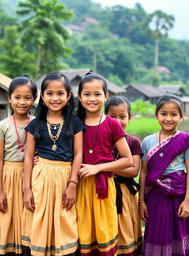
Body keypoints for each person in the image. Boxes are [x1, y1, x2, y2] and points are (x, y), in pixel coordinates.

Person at [21, 71, 84, 256]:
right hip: (41, 177)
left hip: (66, 177)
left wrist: (73, 183)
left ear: (69, 96)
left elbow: (78, 154)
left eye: (60, 93)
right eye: (49, 93)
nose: (55, 98)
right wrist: (26, 189)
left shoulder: (74, 122)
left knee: (65, 218)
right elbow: (28, 156)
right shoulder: (35, 124)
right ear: (42, 96)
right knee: (40, 217)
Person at [76, 72, 133, 256]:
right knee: (82, 234)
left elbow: (127, 159)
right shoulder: (74, 123)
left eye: (97, 94)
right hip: (78, 187)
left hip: (104, 189)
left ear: (106, 96)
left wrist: (98, 167)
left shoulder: (112, 124)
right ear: (79, 96)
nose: (92, 99)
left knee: (104, 232)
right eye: (87, 94)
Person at [0, 75, 37, 256]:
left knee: (29, 215)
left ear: (34, 99)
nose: (22, 102)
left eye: (27, 97)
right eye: (17, 97)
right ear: (9, 98)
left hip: (33, 176)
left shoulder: (38, 123)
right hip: (9, 176)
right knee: (8, 217)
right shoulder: (2, 126)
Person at [139, 94, 189, 256]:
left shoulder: (185, 139)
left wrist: (188, 201)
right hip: (155, 196)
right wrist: (141, 201)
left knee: (177, 232)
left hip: (178, 196)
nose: (168, 118)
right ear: (156, 115)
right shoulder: (147, 141)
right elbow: (144, 172)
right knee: (156, 231)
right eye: (164, 114)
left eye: (174, 114)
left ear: (182, 117)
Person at [105, 96, 142, 256]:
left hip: (125, 194)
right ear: (104, 116)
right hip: (103, 192)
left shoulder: (133, 142)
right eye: (112, 116)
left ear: (129, 118)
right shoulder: (99, 139)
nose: (117, 121)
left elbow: (133, 170)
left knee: (125, 231)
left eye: (122, 116)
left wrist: (104, 168)